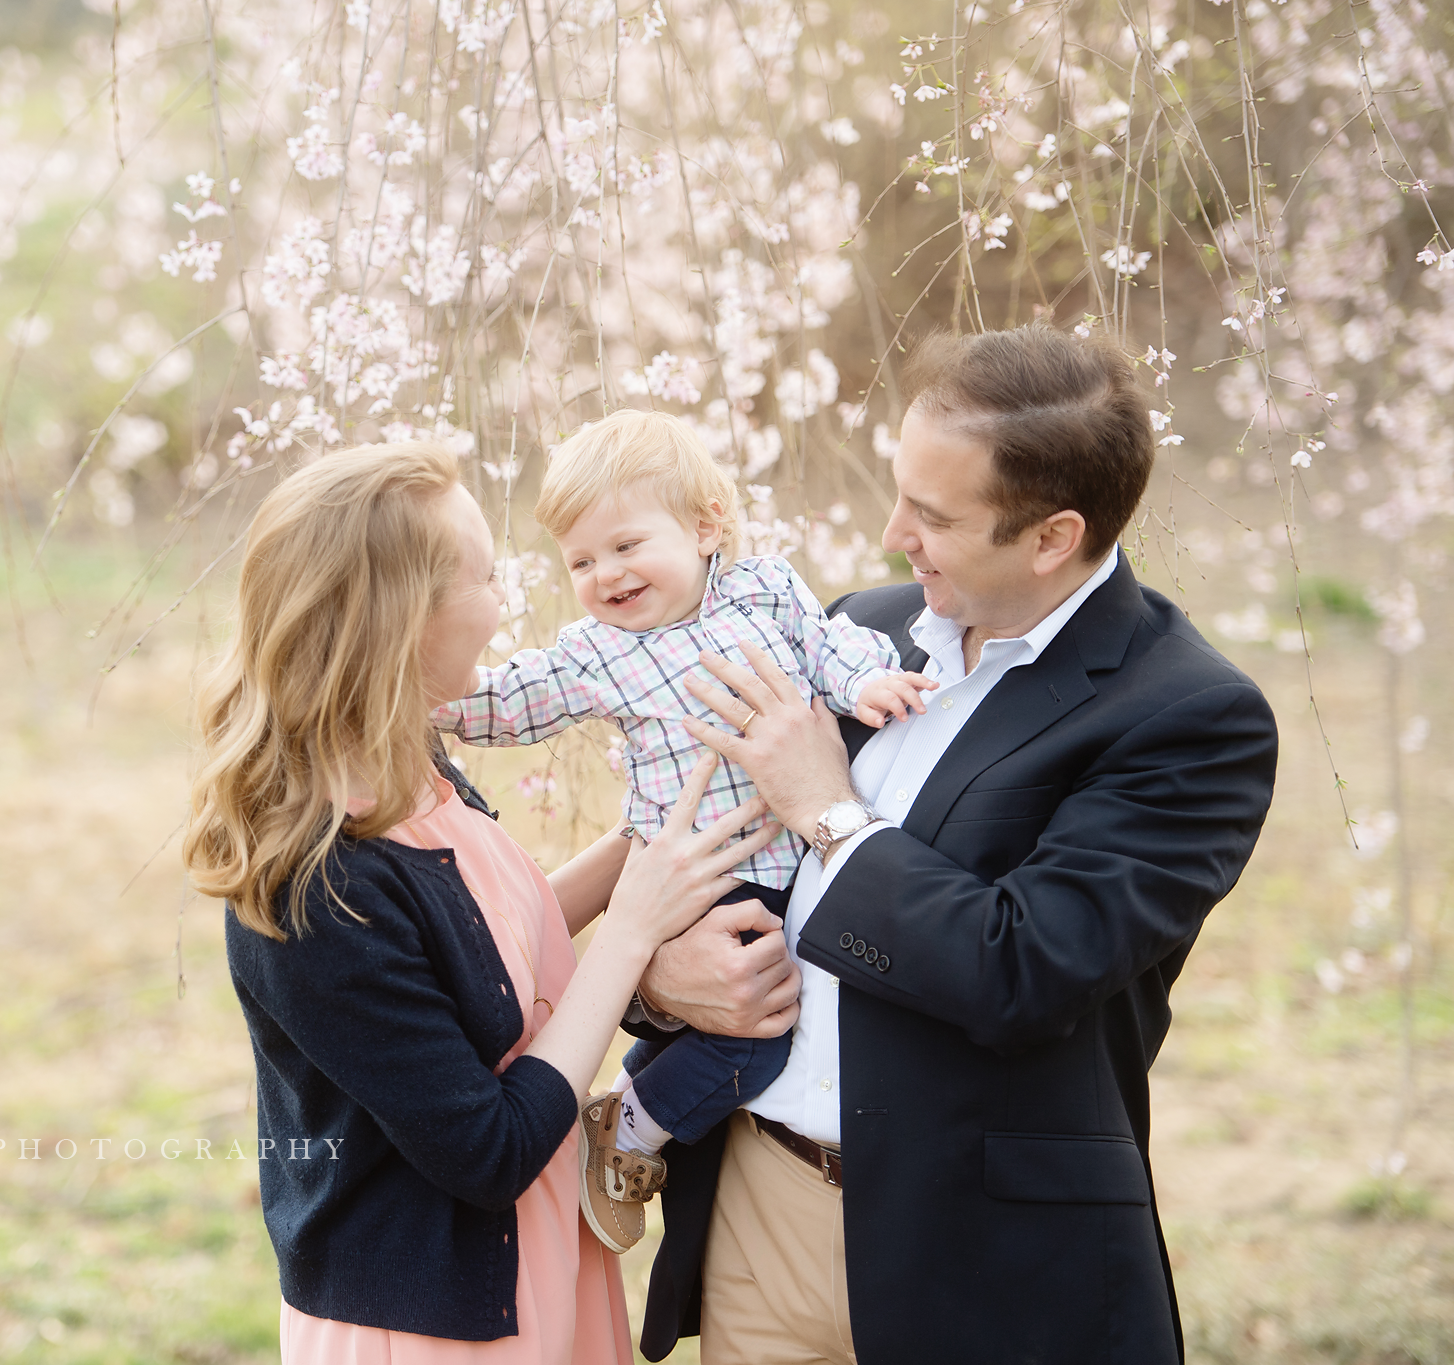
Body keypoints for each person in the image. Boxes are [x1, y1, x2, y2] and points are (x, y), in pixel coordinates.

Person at [628, 323, 1281, 1364]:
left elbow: (1018, 969)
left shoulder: (1188, 716)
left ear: (1049, 537)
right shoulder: (857, 633)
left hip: (982, 1259)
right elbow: (705, 859)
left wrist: (829, 812)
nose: (894, 533)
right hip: (760, 1208)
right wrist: (662, 977)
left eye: (931, 515)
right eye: (899, 493)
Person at [185, 439, 785, 1364]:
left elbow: (474, 944)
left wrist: (660, 836)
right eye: (488, 579)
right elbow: (487, 1148)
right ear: (402, 621)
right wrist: (630, 936)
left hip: (535, 1263)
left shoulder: (402, 768)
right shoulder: (317, 885)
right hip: (435, 1317)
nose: (508, 606)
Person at [433, 409, 934, 1254]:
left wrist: (866, 684)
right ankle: (626, 1132)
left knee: (744, 1022)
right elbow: (508, 700)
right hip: (693, 872)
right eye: (582, 560)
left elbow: (827, 646)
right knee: (758, 1039)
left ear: (706, 527)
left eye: (627, 545)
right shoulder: (597, 651)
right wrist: (418, 697)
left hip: (785, 867)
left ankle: (630, 1101)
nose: (606, 575)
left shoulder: (765, 590)